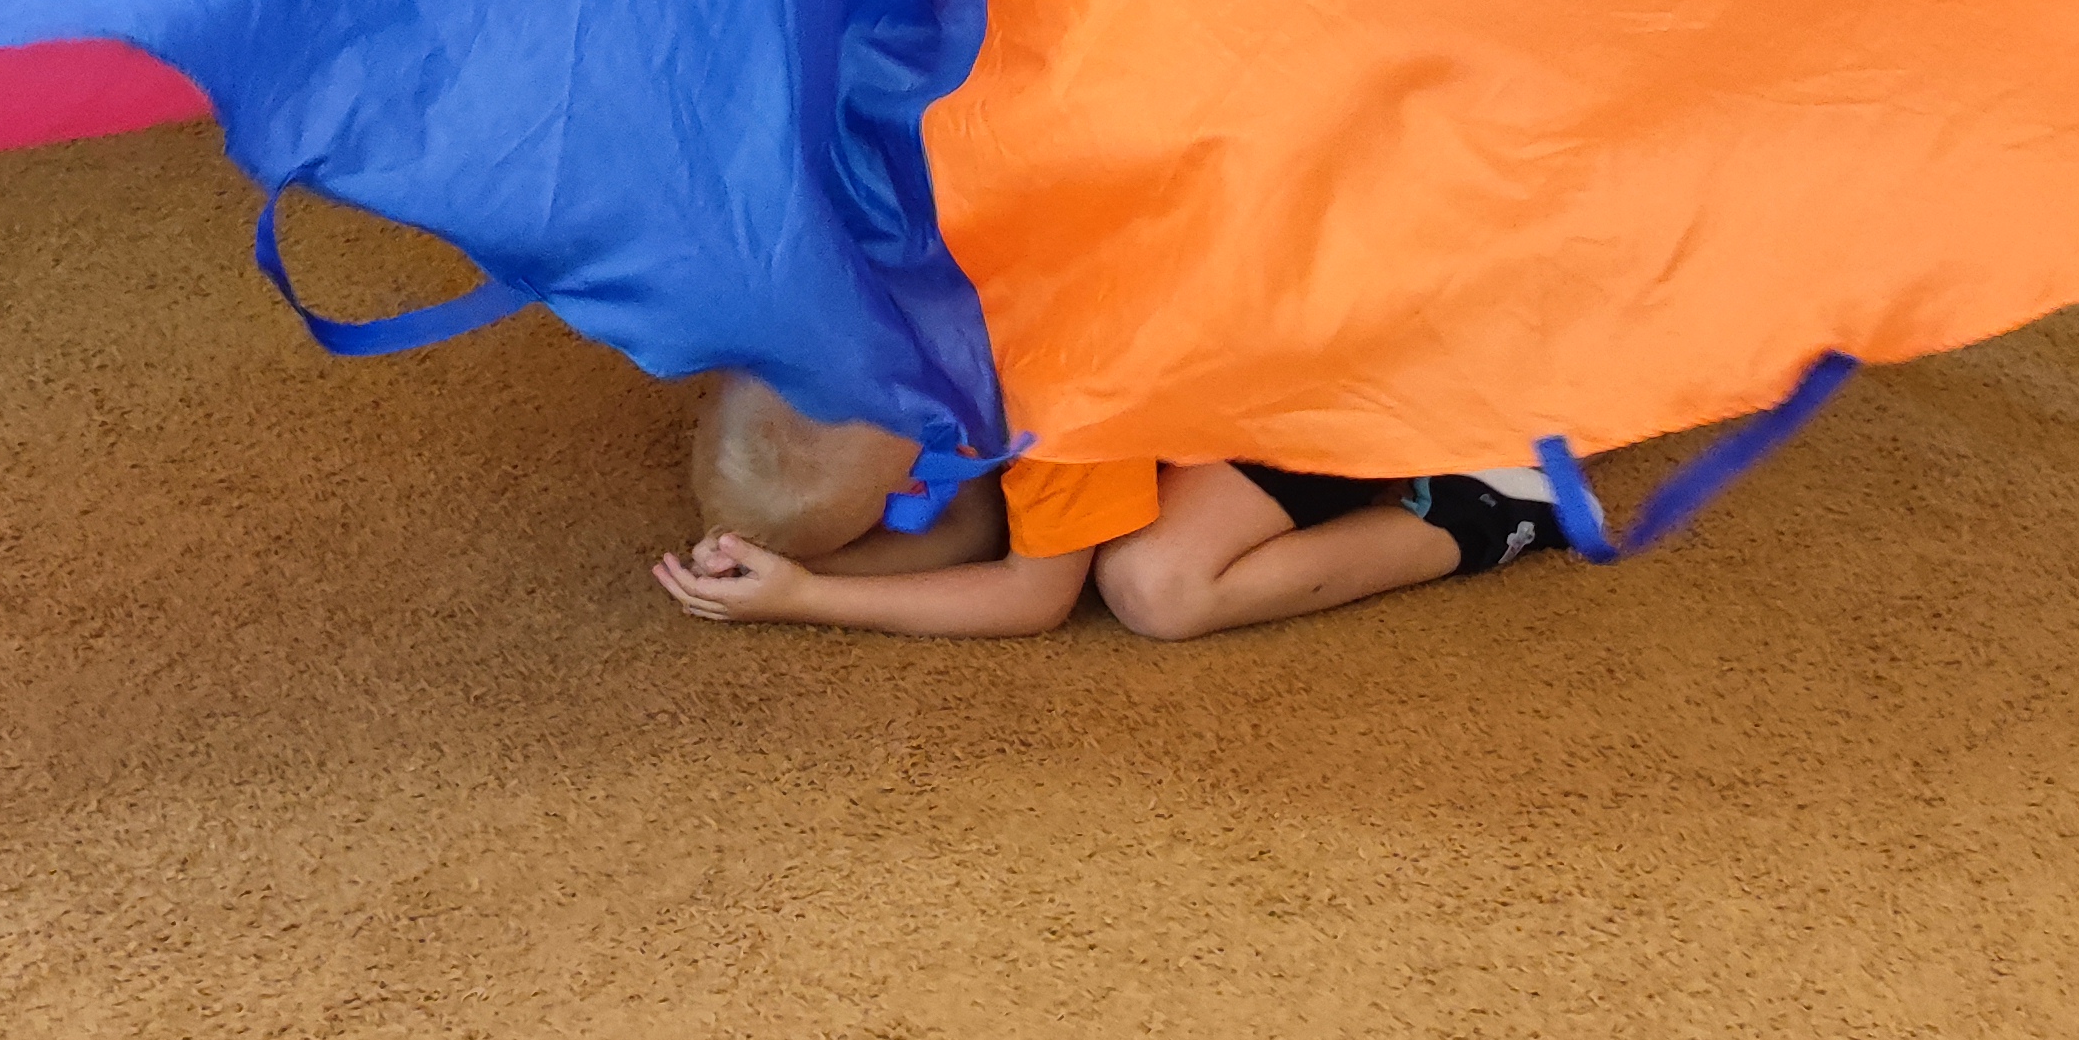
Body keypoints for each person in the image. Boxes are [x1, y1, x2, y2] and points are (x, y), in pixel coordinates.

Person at [650, 376, 1561, 642]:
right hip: (1244, 315)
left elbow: (1030, 592)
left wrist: (813, 596)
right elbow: (974, 524)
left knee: (1158, 588)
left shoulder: (1055, 410)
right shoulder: (896, 330)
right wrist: (800, 561)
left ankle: (1487, 506)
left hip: (1336, 381)